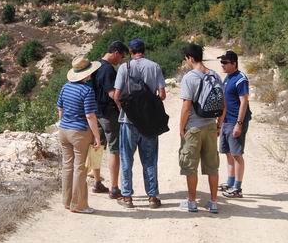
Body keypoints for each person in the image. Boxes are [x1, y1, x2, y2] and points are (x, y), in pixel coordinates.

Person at [113, 38, 167, 209]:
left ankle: (127, 197)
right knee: (150, 160)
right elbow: (163, 94)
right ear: (144, 50)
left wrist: (128, 109)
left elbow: (116, 96)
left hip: (128, 121)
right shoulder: (154, 66)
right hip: (149, 122)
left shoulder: (124, 67)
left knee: (127, 159)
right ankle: (152, 197)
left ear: (130, 51)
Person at [56, 56, 102, 214]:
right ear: (87, 74)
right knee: (80, 168)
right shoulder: (87, 90)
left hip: (64, 131)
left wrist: (65, 124)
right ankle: (79, 205)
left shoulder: (65, 87)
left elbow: (60, 110)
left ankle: (67, 201)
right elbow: (90, 116)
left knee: (67, 166)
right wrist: (97, 136)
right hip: (80, 132)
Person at [179, 43, 221, 213]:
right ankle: (213, 202)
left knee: (190, 166)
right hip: (211, 125)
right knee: (212, 166)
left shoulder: (190, 78)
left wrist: (181, 128)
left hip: (194, 128)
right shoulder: (215, 75)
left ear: (190, 58)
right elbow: (223, 105)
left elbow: (186, 107)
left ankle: (191, 202)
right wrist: (219, 124)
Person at [91, 40, 128, 198]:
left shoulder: (95, 66)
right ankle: (114, 188)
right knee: (114, 149)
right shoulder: (108, 70)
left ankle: (97, 182)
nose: (120, 60)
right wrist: (123, 108)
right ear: (115, 53)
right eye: (121, 57)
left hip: (94, 112)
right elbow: (113, 94)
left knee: (96, 147)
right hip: (108, 114)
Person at [218, 50, 251, 199]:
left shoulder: (240, 79)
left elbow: (244, 101)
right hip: (226, 121)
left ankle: (237, 188)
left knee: (237, 154)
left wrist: (239, 124)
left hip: (235, 121)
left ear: (234, 63)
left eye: (225, 62)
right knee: (228, 153)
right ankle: (230, 182)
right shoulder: (227, 78)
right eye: (221, 62)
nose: (222, 64)